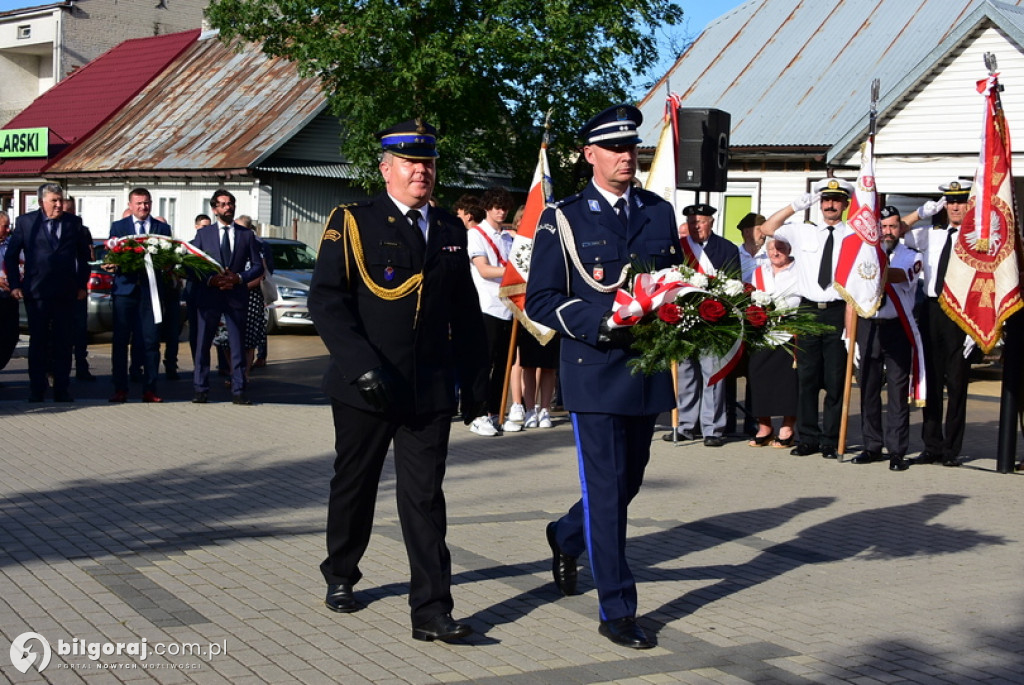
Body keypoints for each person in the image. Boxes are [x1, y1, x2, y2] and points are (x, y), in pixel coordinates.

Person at [308, 118, 488, 643]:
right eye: (410, 163)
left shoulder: (452, 230)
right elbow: (327, 300)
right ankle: (341, 573)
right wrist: (361, 366)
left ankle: (431, 611)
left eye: (428, 163)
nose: (421, 171)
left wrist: (476, 386)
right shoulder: (354, 220)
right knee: (355, 484)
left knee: (425, 498)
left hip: (427, 390)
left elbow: (466, 315)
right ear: (385, 168)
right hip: (366, 386)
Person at [526, 104, 681, 649]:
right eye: (614, 148)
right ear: (589, 155)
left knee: (628, 479)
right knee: (608, 491)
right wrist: (601, 322)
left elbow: (674, 282)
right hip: (594, 368)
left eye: (631, 147)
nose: (625, 156)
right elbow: (541, 298)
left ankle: (567, 534)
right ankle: (617, 608)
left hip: (645, 370)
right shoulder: (564, 216)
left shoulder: (659, 212)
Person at [759, 178, 854, 460]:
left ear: (845, 204)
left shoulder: (852, 235)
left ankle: (831, 440)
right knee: (807, 379)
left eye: (836, 200)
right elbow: (767, 229)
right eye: (825, 200)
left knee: (836, 380)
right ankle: (809, 438)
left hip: (839, 309)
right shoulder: (802, 231)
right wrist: (794, 206)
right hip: (808, 308)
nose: (830, 205)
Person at [902, 181, 973, 467]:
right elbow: (897, 230)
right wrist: (920, 212)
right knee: (929, 382)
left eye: (961, 201)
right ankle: (932, 446)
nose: (955, 207)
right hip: (932, 312)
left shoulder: (977, 240)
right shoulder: (931, 236)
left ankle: (951, 450)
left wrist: (974, 329)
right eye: (950, 202)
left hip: (961, 314)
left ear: (970, 205)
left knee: (957, 386)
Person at [3, 183, 92, 402]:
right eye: (54, 201)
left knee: (63, 342)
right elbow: (11, 256)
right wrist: (15, 284)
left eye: (61, 200)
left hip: (66, 293)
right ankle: (37, 389)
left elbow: (84, 257)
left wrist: (82, 285)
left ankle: (62, 388)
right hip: (37, 292)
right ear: (42, 201)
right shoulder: (27, 222)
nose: (59, 205)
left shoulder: (73, 223)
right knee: (39, 342)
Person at [850, 206, 922, 472]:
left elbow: (900, 276)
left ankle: (897, 451)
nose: (887, 231)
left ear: (900, 228)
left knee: (897, 392)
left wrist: (865, 269)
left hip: (897, 327)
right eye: (883, 227)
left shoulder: (910, 256)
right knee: (868, 389)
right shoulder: (864, 254)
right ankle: (871, 446)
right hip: (868, 326)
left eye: (893, 226)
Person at [664, 203, 739, 447]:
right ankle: (685, 426)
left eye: (701, 221)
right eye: (692, 222)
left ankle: (712, 429)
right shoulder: (678, 248)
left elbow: (733, 283)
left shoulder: (726, 248)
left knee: (712, 376)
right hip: (684, 321)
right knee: (685, 376)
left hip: (713, 321)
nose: (696, 226)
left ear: (711, 222)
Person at [190, 189, 264, 405]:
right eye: (222, 204)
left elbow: (258, 266)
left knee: (237, 344)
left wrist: (239, 278)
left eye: (230, 203)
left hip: (236, 296)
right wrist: (210, 280)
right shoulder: (204, 235)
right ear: (214, 209)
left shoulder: (246, 234)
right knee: (203, 343)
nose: (227, 207)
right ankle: (200, 389)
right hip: (210, 296)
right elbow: (192, 266)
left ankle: (239, 389)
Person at [105, 188, 172, 403]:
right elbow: (111, 255)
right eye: (139, 203)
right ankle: (120, 388)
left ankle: (150, 388)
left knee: (151, 341)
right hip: (125, 292)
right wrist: (112, 263)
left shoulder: (162, 228)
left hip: (150, 292)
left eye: (147, 203)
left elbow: (169, 257)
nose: (143, 207)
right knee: (120, 341)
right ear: (130, 205)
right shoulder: (119, 227)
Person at [465, 186, 515, 436]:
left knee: (504, 365)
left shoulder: (510, 238)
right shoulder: (477, 234)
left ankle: (495, 412)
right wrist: (514, 273)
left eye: (504, 206)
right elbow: (484, 270)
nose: (501, 211)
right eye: (496, 206)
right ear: (486, 208)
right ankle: (477, 413)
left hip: (508, 308)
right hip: (486, 307)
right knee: (482, 364)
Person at [745, 236, 800, 448]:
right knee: (759, 378)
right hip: (763, 332)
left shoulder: (799, 271)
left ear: (789, 249)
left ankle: (787, 427)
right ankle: (765, 427)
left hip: (790, 331)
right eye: (771, 249)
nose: (775, 253)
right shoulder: (759, 272)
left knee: (788, 382)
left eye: (780, 248)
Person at [62, 196, 96, 382]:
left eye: (71, 212)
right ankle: (59, 369)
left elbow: (87, 259)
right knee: (61, 332)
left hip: (78, 288)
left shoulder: (82, 231)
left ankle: (82, 367)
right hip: (60, 289)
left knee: (80, 330)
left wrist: (83, 284)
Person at [234, 215, 268, 380]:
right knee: (227, 339)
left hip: (251, 296)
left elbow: (261, 272)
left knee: (248, 339)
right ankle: (234, 373)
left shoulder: (258, 245)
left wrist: (240, 285)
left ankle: (244, 373)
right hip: (231, 294)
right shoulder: (232, 242)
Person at [185, 214, 211, 362]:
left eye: (208, 226)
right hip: (194, 292)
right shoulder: (189, 246)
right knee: (195, 330)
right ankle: (198, 361)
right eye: (203, 226)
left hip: (211, 292)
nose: (206, 229)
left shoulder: (214, 244)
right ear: (196, 227)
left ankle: (223, 365)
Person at [0, 210, 19, 373]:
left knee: (10, 337)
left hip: (9, 297)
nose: (8, 230)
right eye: (5, 226)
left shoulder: (11, 244)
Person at [737, 212, 768, 282]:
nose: (764, 234)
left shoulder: (770, 257)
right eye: (760, 230)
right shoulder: (734, 257)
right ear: (747, 232)